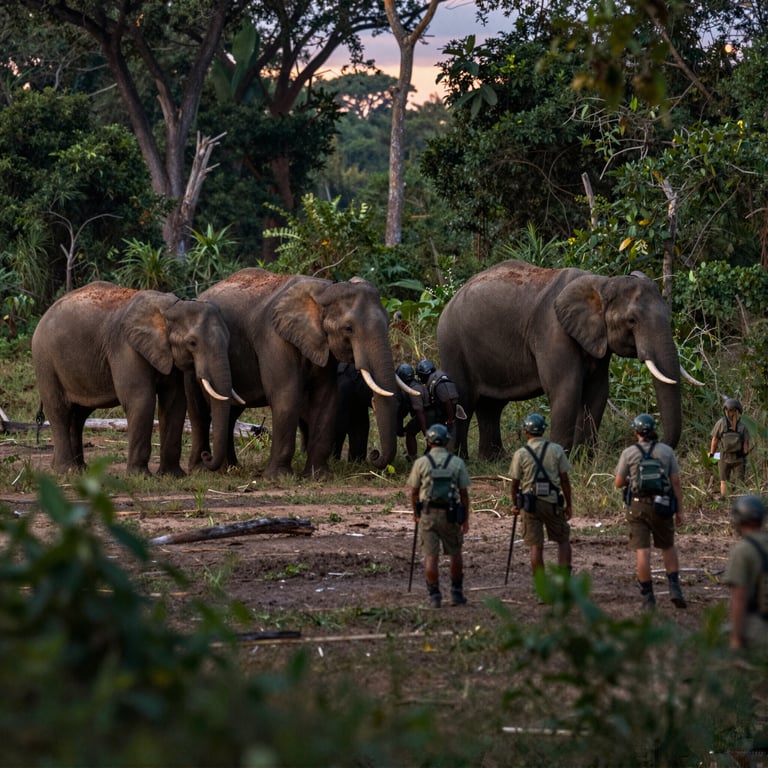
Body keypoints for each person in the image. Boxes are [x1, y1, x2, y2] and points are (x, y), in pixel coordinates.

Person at [614, 413, 686, 610]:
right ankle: (674, 588)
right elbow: (676, 483)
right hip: (662, 505)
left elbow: (619, 483)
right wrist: (679, 511)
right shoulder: (666, 451)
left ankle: (648, 597)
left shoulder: (629, 453)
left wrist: (632, 479)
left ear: (636, 432)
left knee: (643, 552)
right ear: (654, 430)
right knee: (668, 546)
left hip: (637, 506)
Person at [407, 423, 471, 608]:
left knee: (431, 556)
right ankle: (456, 593)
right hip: (450, 514)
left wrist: (416, 514)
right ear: (446, 441)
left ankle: (434, 595)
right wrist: (465, 519)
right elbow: (464, 494)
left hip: (428, 514)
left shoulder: (421, 463)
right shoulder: (456, 462)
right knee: (455, 553)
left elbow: (413, 492)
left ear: (428, 441)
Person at [508, 413, 573, 576]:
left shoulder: (521, 453)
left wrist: (515, 504)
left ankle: (541, 585)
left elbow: (515, 483)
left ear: (526, 431)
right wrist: (568, 504)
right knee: (563, 540)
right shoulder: (556, 450)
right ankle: (564, 580)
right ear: (544, 430)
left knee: (536, 546)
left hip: (530, 504)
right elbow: (565, 480)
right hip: (552, 503)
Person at [724, 494, 768, 652]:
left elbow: (739, 597)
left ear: (739, 520)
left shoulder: (743, 550)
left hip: (758, 630)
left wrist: (735, 639)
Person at [415, 360, 461, 449]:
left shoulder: (438, 383)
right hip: (449, 411)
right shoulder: (439, 377)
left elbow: (447, 400)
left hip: (448, 415)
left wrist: (450, 419)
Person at [710, 398, 751, 497]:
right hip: (738, 457)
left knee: (723, 481)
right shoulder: (742, 426)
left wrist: (712, 455)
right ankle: (739, 500)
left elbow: (715, 441)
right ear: (739, 411)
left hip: (723, 456)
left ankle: (724, 499)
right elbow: (746, 444)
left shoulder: (720, 423)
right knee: (740, 482)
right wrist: (744, 456)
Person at [395, 363, 428, 460]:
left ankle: (412, 456)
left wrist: (424, 430)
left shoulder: (412, 389)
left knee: (410, 431)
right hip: (427, 413)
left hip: (425, 414)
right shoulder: (417, 385)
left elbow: (419, 410)